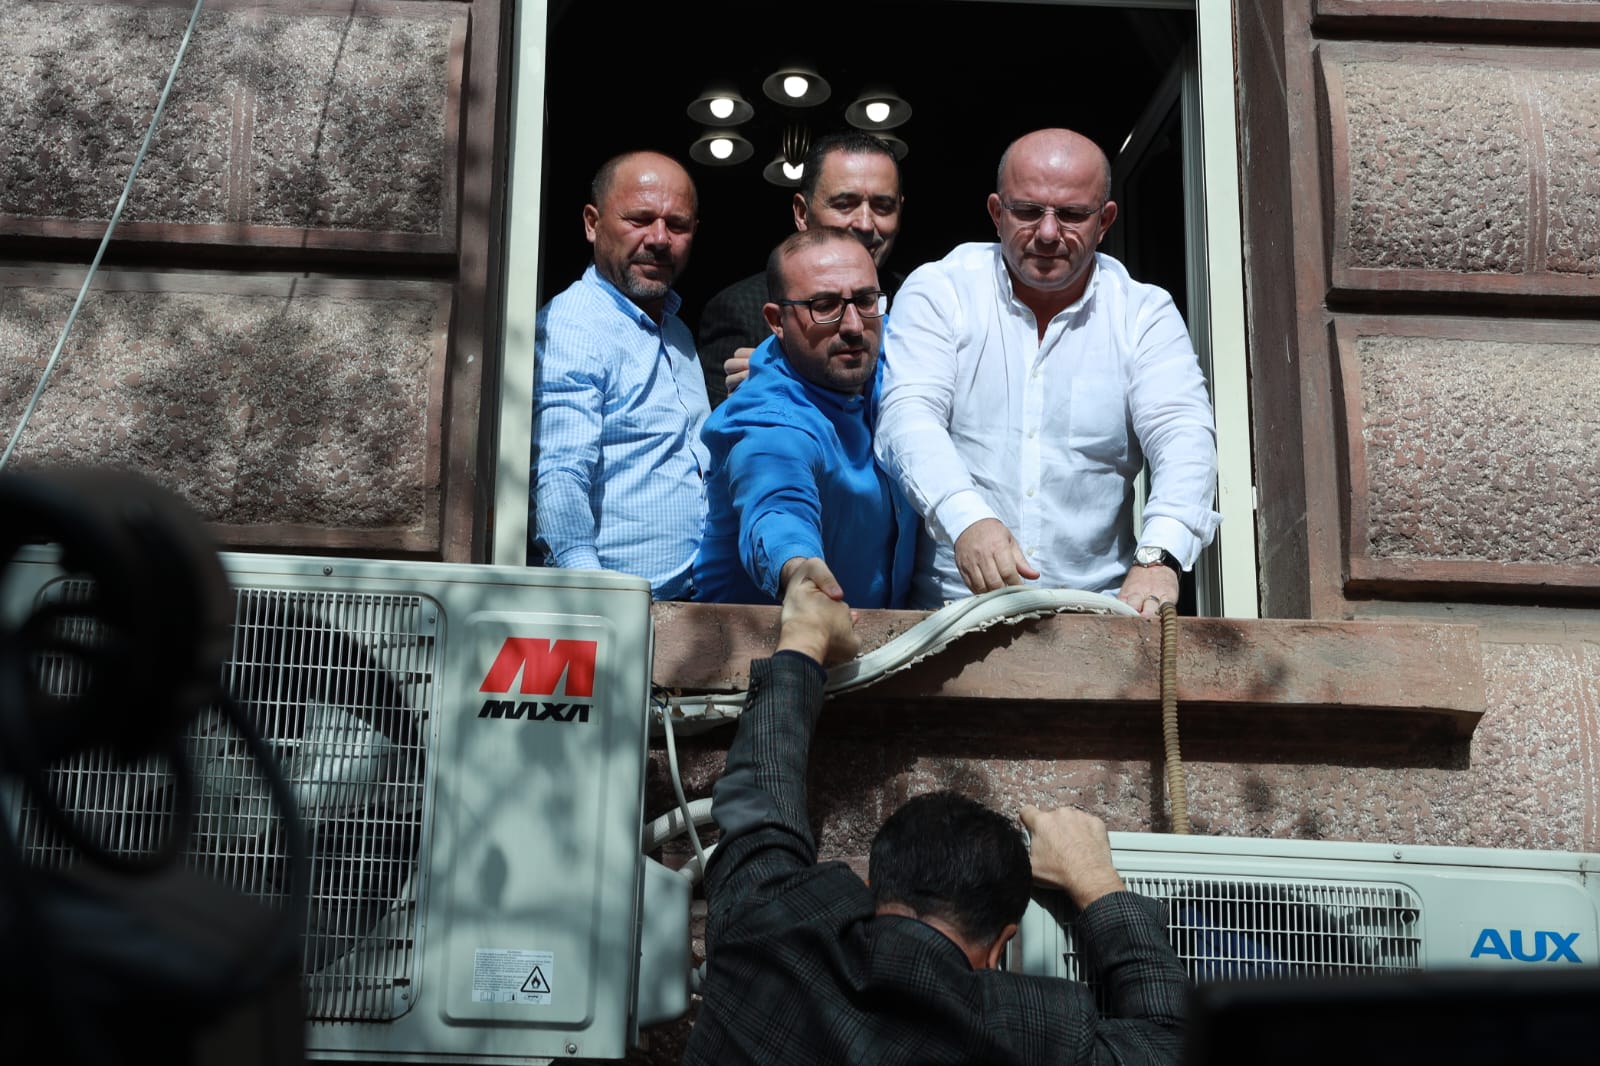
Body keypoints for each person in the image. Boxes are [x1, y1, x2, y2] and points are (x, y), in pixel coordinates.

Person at [681, 562, 1190, 1065]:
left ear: (874, 888)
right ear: (1000, 948)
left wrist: (804, 637)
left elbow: (759, 801)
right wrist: (1094, 878)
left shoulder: (768, 929)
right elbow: (1172, 1048)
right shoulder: (1025, 1037)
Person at [874, 128, 1221, 616]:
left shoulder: (1142, 312)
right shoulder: (942, 289)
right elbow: (907, 416)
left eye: (1073, 215)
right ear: (996, 213)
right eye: (1028, 211)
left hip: (1097, 616)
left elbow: (1183, 435)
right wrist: (965, 517)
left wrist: (1159, 555)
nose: (1048, 233)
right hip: (951, 615)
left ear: (1105, 221)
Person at [692, 229, 917, 608]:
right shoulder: (768, 420)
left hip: (878, 632)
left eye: (865, 300)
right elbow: (777, 508)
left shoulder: (890, 358)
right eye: (824, 306)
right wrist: (800, 577)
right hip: (767, 637)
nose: (853, 326)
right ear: (776, 320)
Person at [531, 151, 711, 599]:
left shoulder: (676, 331)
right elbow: (558, 475)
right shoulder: (574, 324)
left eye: (677, 225)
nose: (659, 239)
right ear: (592, 224)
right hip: (618, 608)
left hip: (696, 603)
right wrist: (593, 601)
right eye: (639, 219)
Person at [697, 131, 906, 406]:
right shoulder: (740, 310)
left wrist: (795, 381)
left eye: (883, 206)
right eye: (844, 205)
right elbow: (724, 423)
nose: (865, 224)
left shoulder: (916, 298)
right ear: (802, 213)